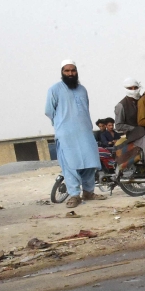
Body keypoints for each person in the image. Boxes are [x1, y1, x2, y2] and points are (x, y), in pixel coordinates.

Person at [44, 60, 103, 208]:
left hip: (84, 132)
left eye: (73, 70)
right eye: (67, 71)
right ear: (62, 72)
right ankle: (74, 194)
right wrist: (60, 124)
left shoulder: (82, 90)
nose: (70, 74)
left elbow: (85, 108)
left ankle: (88, 192)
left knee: (90, 163)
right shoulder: (54, 89)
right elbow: (49, 111)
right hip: (66, 134)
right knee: (71, 165)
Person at [114, 78, 145, 194]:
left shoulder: (143, 100)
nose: (133, 90)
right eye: (130, 88)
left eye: (135, 88)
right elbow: (119, 126)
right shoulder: (121, 105)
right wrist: (134, 128)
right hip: (135, 134)